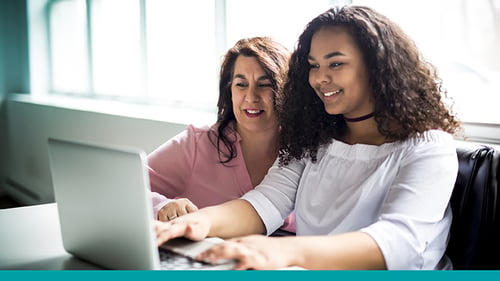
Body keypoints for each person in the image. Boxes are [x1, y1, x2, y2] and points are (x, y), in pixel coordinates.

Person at [154, 5, 462, 270]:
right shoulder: (317, 139)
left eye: (335, 64)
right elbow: (265, 202)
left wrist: (281, 251)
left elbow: (398, 241)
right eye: (313, 66)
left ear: (377, 67)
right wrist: (198, 223)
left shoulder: (428, 147)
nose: (319, 78)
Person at [147, 36, 295, 233]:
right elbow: (123, 186)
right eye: (241, 84)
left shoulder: (307, 153)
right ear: (229, 91)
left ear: (286, 89)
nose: (251, 97)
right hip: (209, 259)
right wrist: (160, 205)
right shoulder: (196, 144)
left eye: (264, 84)